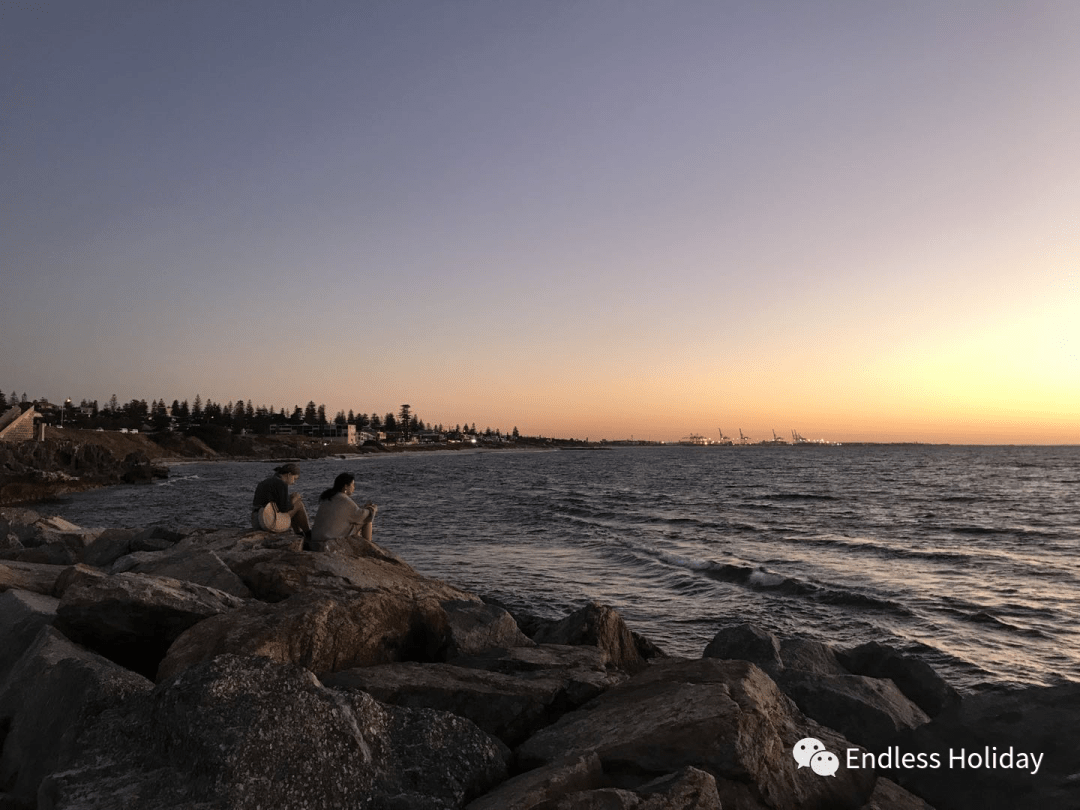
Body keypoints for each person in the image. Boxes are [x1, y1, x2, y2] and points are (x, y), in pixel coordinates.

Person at [308, 471, 377, 551]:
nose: (354, 487)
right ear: (346, 486)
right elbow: (361, 515)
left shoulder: (328, 497)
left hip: (316, 539)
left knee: (361, 517)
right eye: (353, 484)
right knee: (367, 518)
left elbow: (351, 513)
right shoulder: (344, 499)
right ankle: (369, 547)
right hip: (328, 541)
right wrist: (372, 508)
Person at [251, 463, 311, 538]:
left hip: (257, 523)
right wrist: (294, 500)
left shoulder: (264, 482)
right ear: (289, 474)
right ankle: (308, 533)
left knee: (292, 504)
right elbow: (284, 509)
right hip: (268, 523)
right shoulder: (282, 483)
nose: (294, 483)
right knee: (299, 504)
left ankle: (298, 533)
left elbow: (275, 505)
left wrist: (290, 500)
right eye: (294, 479)